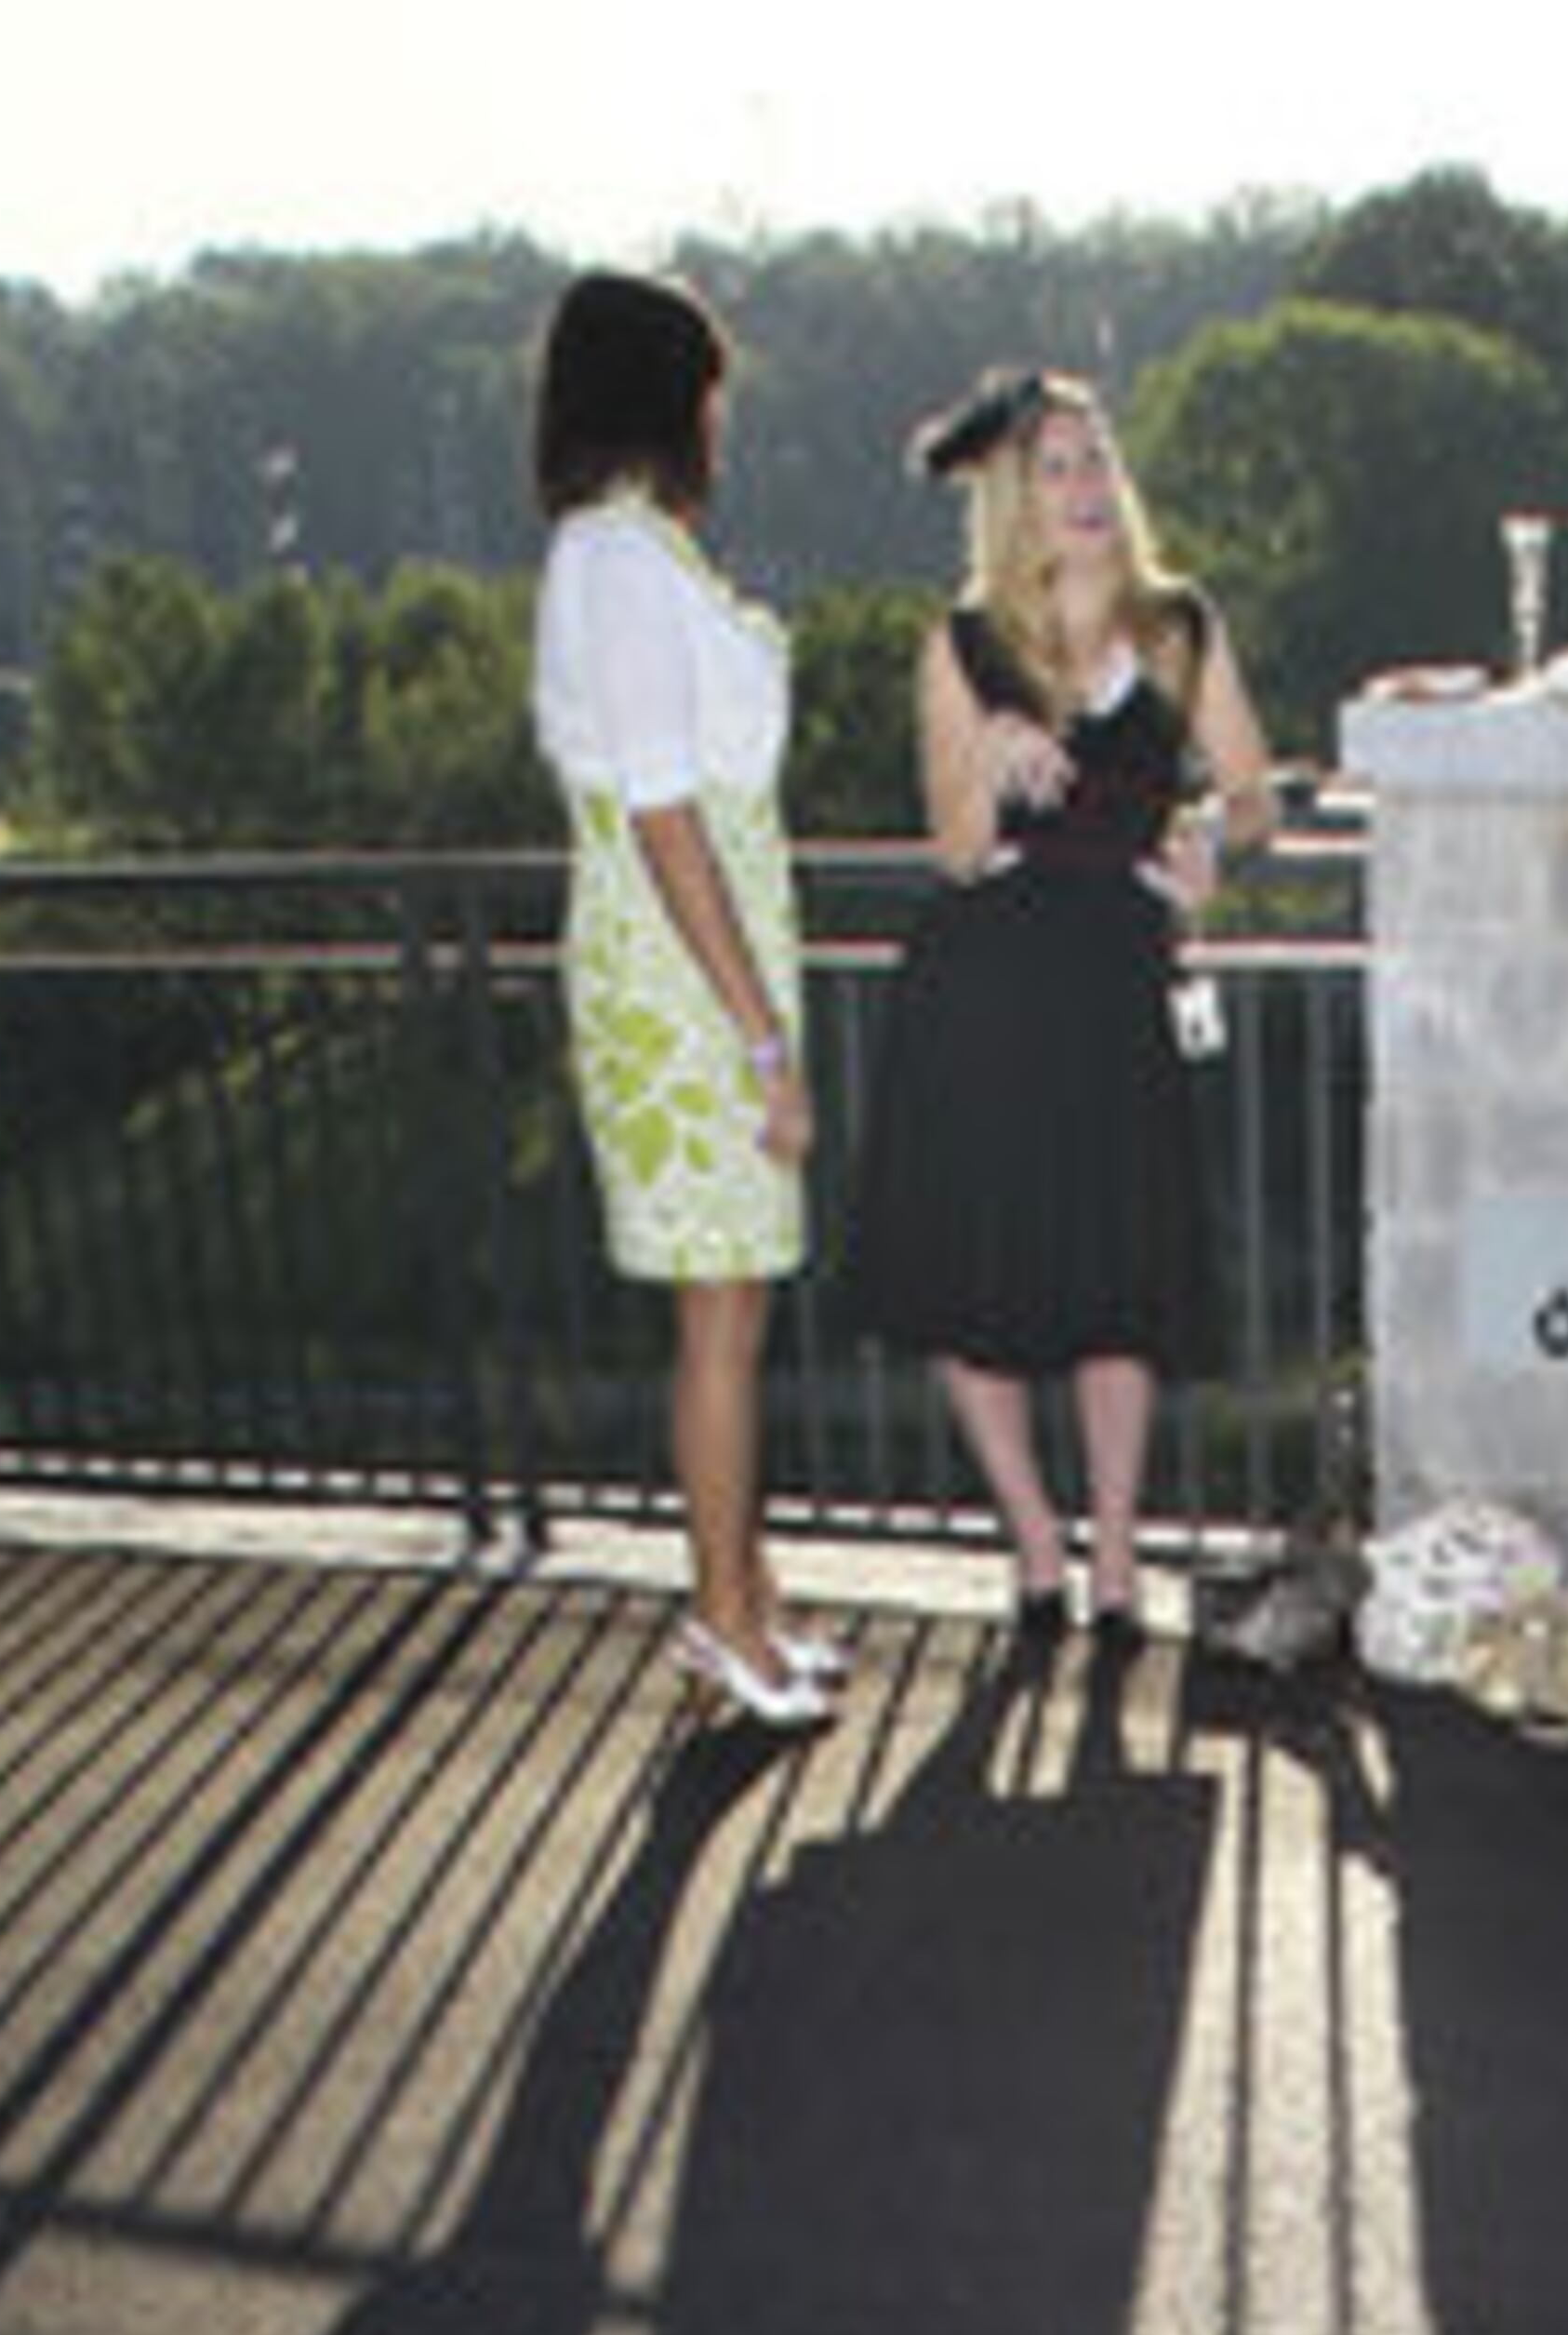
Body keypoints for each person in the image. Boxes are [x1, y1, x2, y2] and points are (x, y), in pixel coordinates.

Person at [839, 369, 1276, 1641]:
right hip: (983, 991)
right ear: (1015, 504)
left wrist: (1209, 835)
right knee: (976, 1279)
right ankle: (1037, 1546)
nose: (1084, 490)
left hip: (1115, 984)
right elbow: (958, 854)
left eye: (1095, 463)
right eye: (1055, 471)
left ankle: (1121, 1561)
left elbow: (1254, 793)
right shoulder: (965, 641)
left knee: (1117, 1279)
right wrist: (989, 754)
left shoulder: (1180, 623)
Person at [531, 267, 843, 1729]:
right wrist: (761, 1036)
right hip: (683, 982)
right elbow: (666, 817)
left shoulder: (640, 558)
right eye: (709, 388)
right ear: (668, 399)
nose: (723, 416)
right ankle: (723, 1621)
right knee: (720, 1310)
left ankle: (751, 1599)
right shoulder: (616, 563)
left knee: (737, 1302)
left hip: (699, 966)